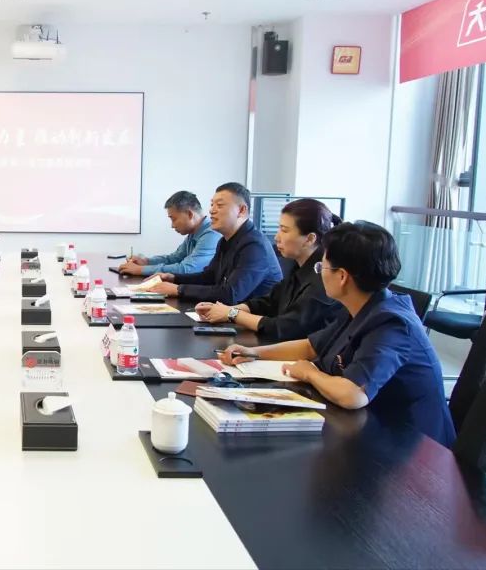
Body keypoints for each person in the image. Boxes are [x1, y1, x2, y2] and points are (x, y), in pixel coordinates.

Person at [218, 221, 456, 446]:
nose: (320, 273)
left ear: (342, 276)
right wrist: (254, 352)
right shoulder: (362, 305)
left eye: (321, 267)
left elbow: (353, 395)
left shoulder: (392, 323)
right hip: (370, 429)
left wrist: (310, 373)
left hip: (412, 448)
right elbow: (311, 346)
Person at [195, 198, 343, 341]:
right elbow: (270, 302)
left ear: (310, 239)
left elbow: (286, 327)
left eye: (284, 230)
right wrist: (226, 310)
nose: (277, 237)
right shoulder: (298, 266)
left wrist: (232, 314)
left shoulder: (323, 275)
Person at [152, 182, 282, 304]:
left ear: (242, 210)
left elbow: (230, 294)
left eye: (219, 205)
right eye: (212, 205)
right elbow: (209, 277)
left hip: (255, 317)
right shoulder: (225, 240)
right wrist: (174, 278)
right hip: (228, 313)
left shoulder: (255, 246)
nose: (212, 210)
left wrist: (179, 289)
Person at [119, 190, 219, 276]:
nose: (172, 225)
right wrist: (146, 261)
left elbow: (187, 269)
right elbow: (173, 259)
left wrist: (141, 270)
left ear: (189, 214)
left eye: (174, 219)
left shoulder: (211, 234)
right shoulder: (193, 233)